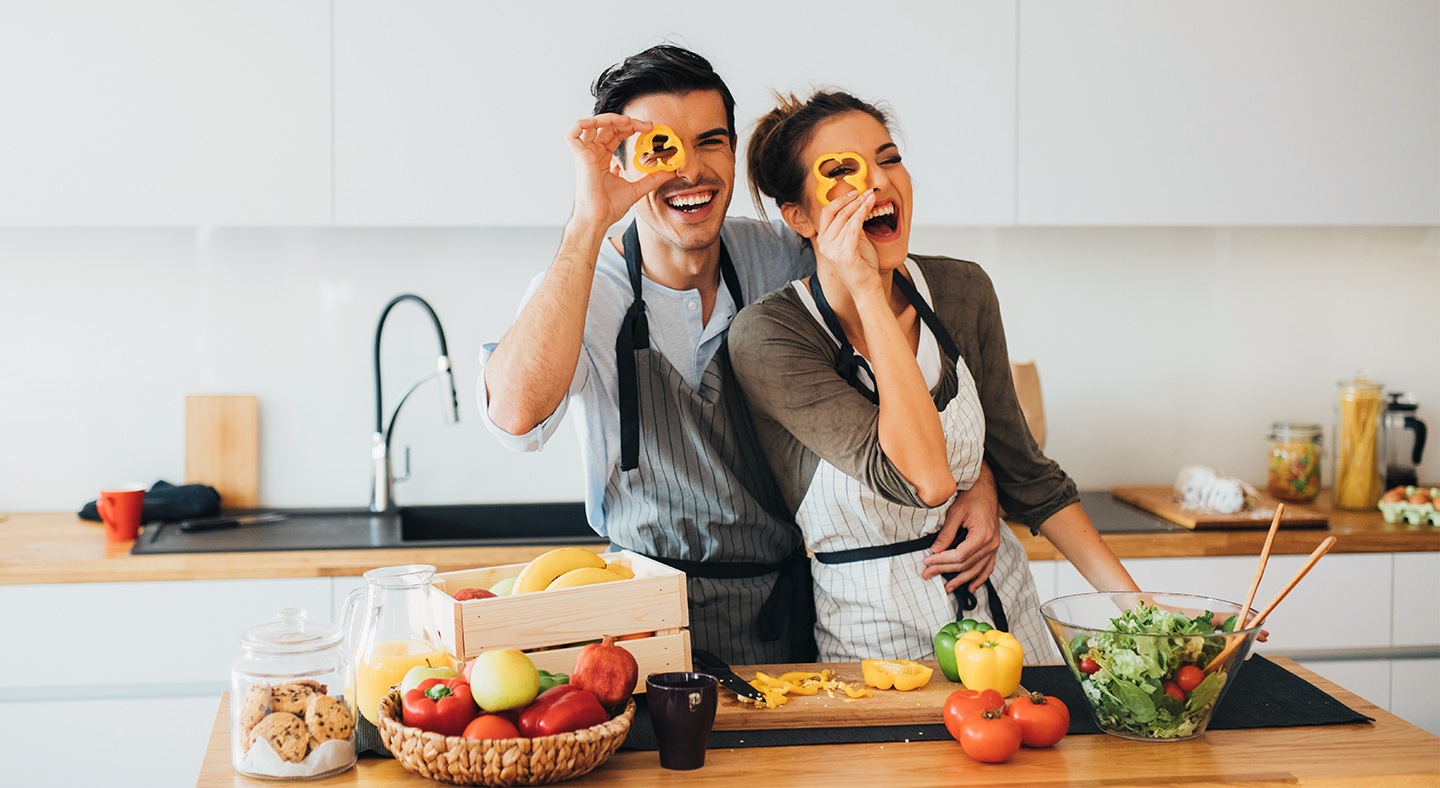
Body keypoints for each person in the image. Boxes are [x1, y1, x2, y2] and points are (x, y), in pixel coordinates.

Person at [479, 47, 1005, 665]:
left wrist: (980, 479)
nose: (690, 172)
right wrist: (587, 223)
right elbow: (515, 420)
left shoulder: (786, 256)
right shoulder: (578, 288)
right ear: (619, 164)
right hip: (638, 620)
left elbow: (906, 347)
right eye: (661, 149)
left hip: (784, 610)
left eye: (711, 142)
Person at [730, 90, 1141, 662]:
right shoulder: (769, 337)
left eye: (890, 159)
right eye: (844, 172)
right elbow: (924, 478)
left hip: (1008, 626)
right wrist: (869, 287)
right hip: (876, 652)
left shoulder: (961, 291)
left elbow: (1030, 476)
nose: (881, 184)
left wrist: (1144, 614)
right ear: (800, 216)